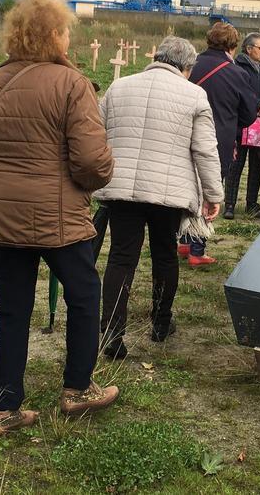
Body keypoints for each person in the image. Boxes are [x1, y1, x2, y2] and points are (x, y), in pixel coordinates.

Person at [0, 0, 118, 435]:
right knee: (86, 295)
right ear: (54, 34)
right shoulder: (71, 85)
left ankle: (4, 407)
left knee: (12, 309)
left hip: (4, 214)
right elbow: (91, 163)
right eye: (66, 29)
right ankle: (77, 389)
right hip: (58, 217)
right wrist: (97, 176)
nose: (69, 37)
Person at [97, 36, 223, 359]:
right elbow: (205, 150)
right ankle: (161, 323)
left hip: (122, 188)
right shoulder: (195, 95)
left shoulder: (119, 87)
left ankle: (111, 334)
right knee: (165, 254)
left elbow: (97, 133)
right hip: (169, 192)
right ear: (186, 67)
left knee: (121, 257)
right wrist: (213, 194)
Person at [184, 22, 259, 265]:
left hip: (185, 134)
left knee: (186, 187)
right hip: (218, 138)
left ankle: (184, 241)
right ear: (233, 45)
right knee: (209, 190)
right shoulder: (237, 73)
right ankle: (197, 249)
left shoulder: (189, 65)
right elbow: (249, 115)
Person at [225, 32, 260, 220]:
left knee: (256, 166)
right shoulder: (237, 67)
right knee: (236, 165)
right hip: (241, 125)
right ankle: (229, 204)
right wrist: (257, 105)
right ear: (249, 49)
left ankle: (252, 204)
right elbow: (240, 92)